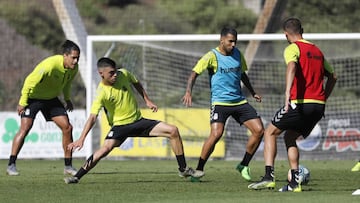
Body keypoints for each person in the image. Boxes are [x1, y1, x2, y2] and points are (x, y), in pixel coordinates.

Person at [64, 57, 194, 184]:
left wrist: (147, 100)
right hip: (120, 127)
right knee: (104, 150)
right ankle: (77, 177)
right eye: (111, 73)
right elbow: (92, 117)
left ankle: (183, 169)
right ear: (101, 73)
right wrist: (81, 139)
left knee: (173, 131)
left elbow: (136, 82)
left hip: (138, 122)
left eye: (115, 71)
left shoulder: (123, 74)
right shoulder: (101, 93)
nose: (115, 75)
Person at [248, 17, 337, 192]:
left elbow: (291, 67)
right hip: (318, 106)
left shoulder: (292, 48)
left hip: (300, 104)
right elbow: (333, 77)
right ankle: (295, 183)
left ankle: (268, 177)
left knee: (269, 132)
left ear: (286, 34)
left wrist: (287, 92)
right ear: (302, 30)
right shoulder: (317, 51)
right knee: (289, 137)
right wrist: (323, 97)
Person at [182, 27, 264, 182]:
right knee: (216, 134)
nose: (233, 44)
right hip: (220, 102)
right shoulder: (211, 56)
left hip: (239, 101)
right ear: (222, 40)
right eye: (230, 41)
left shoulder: (238, 54)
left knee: (259, 130)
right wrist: (188, 92)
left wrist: (253, 92)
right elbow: (194, 73)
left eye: (235, 41)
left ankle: (244, 165)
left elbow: (243, 74)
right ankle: (199, 170)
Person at [6, 40, 80, 176]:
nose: (75, 61)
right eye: (73, 57)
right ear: (65, 55)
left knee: (67, 127)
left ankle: (68, 166)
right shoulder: (50, 65)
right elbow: (29, 81)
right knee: (25, 128)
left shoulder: (74, 68)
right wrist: (23, 102)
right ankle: (11, 165)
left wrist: (67, 99)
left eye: (77, 58)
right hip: (33, 98)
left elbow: (67, 84)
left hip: (51, 99)